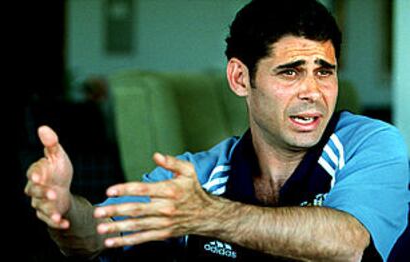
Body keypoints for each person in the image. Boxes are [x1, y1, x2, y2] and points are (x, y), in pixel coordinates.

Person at [25, 0, 409, 261]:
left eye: (324, 71)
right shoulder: (200, 176)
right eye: (290, 71)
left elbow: (349, 245)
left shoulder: (372, 144)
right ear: (240, 78)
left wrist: (208, 216)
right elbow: (93, 238)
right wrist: (64, 209)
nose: (313, 92)